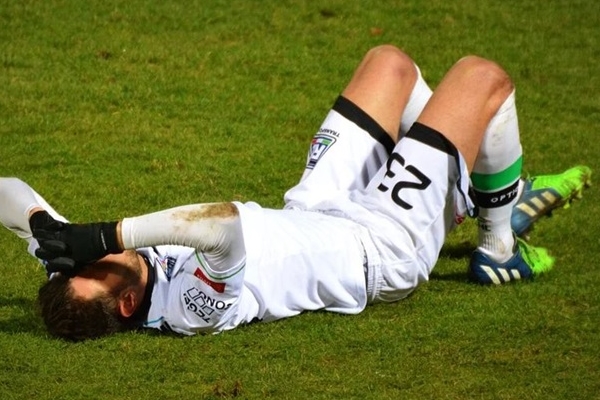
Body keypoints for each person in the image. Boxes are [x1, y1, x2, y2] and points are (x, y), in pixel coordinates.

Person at [0, 45, 591, 341]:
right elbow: (221, 225)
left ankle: (471, 192)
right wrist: (108, 233)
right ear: (128, 304)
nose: (92, 256)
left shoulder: (95, 274)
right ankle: (497, 243)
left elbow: (7, 193)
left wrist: (40, 224)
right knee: (482, 78)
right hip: (378, 251)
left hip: (316, 204)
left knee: (389, 64)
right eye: (97, 266)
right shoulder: (191, 308)